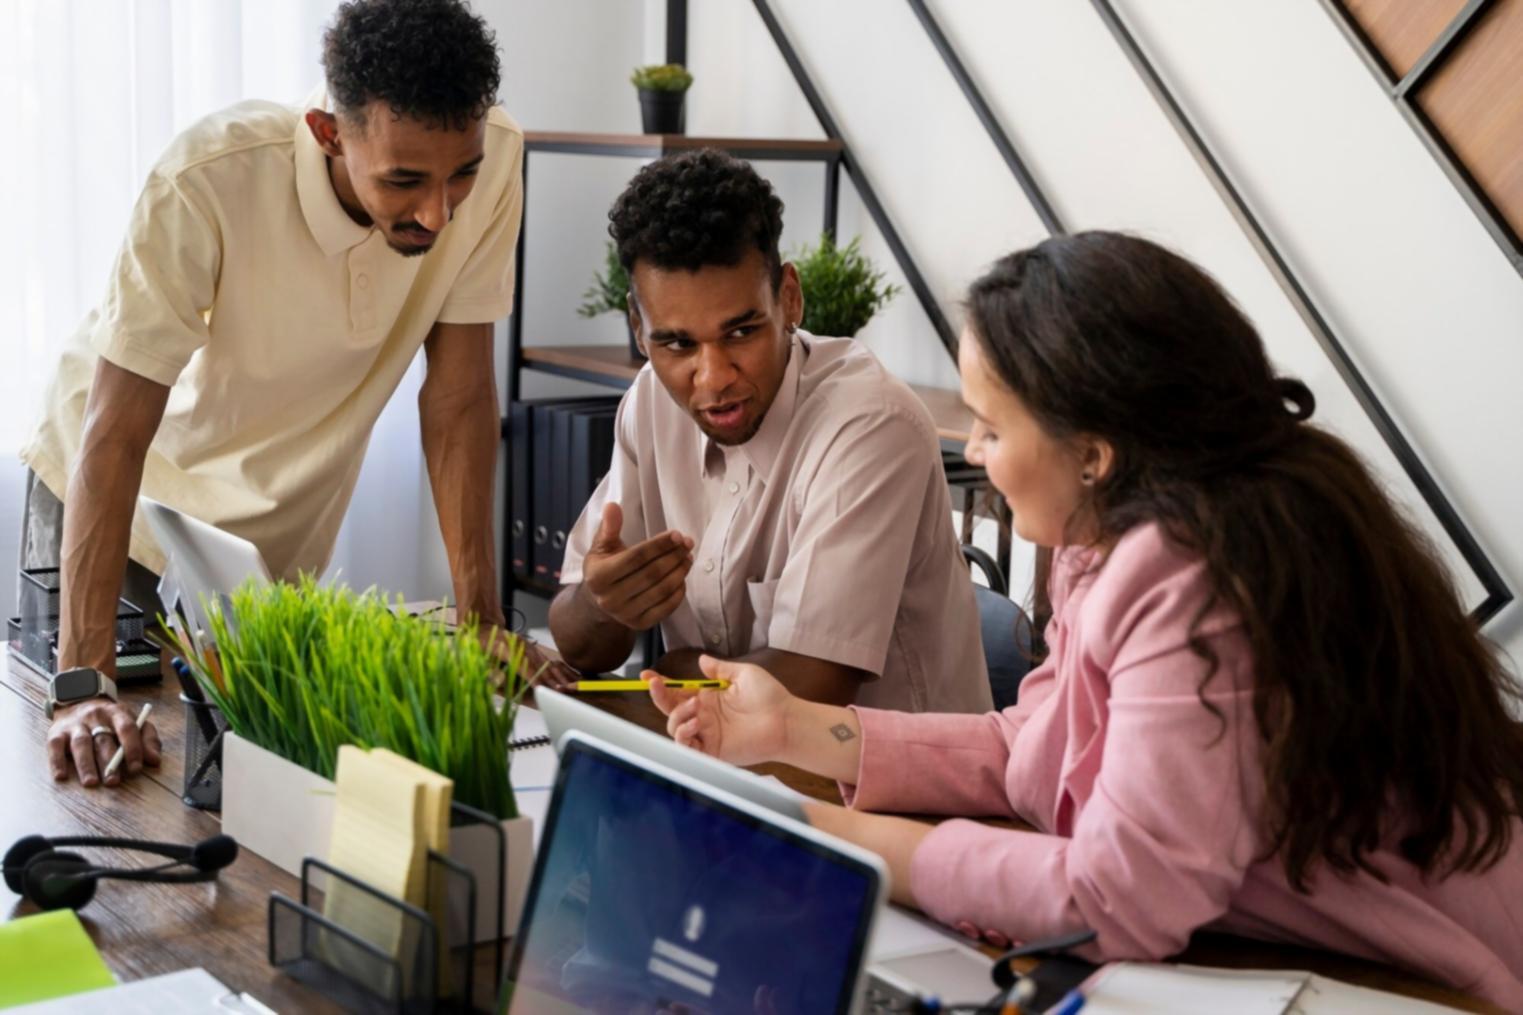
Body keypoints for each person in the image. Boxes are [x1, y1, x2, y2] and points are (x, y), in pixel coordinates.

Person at [650, 231, 1523, 1008]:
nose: (975, 452)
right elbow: (1038, 744)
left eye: (991, 427)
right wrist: (796, 730)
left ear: (1094, 453)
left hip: (1413, 980)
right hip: (1278, 946)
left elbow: (1115, 899)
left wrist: (828, 837)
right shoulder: (1105, 542)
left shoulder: (1194, 580)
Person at [22, 0, 567, 790]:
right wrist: (81, 685)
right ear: (326, 133)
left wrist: (481, 625)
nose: (439, 212)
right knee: (100, 779)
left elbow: (457, 405)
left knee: (238, 790)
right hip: (115, 508)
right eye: (404, 180)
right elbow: (114, 433)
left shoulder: (498, 156)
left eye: (461, 175)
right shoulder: (208, 178)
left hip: (251, 551)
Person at [549, 149, 990, 713]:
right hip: (725, 765)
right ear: (639, 327)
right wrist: (602, 601)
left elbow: (811, 691)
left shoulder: (871, 424)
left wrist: (671, 668)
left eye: (741, 332)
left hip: (890, 793)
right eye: (677, 342)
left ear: (788, 298)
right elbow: (580, 640)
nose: (712, 379)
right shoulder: (650, 401)